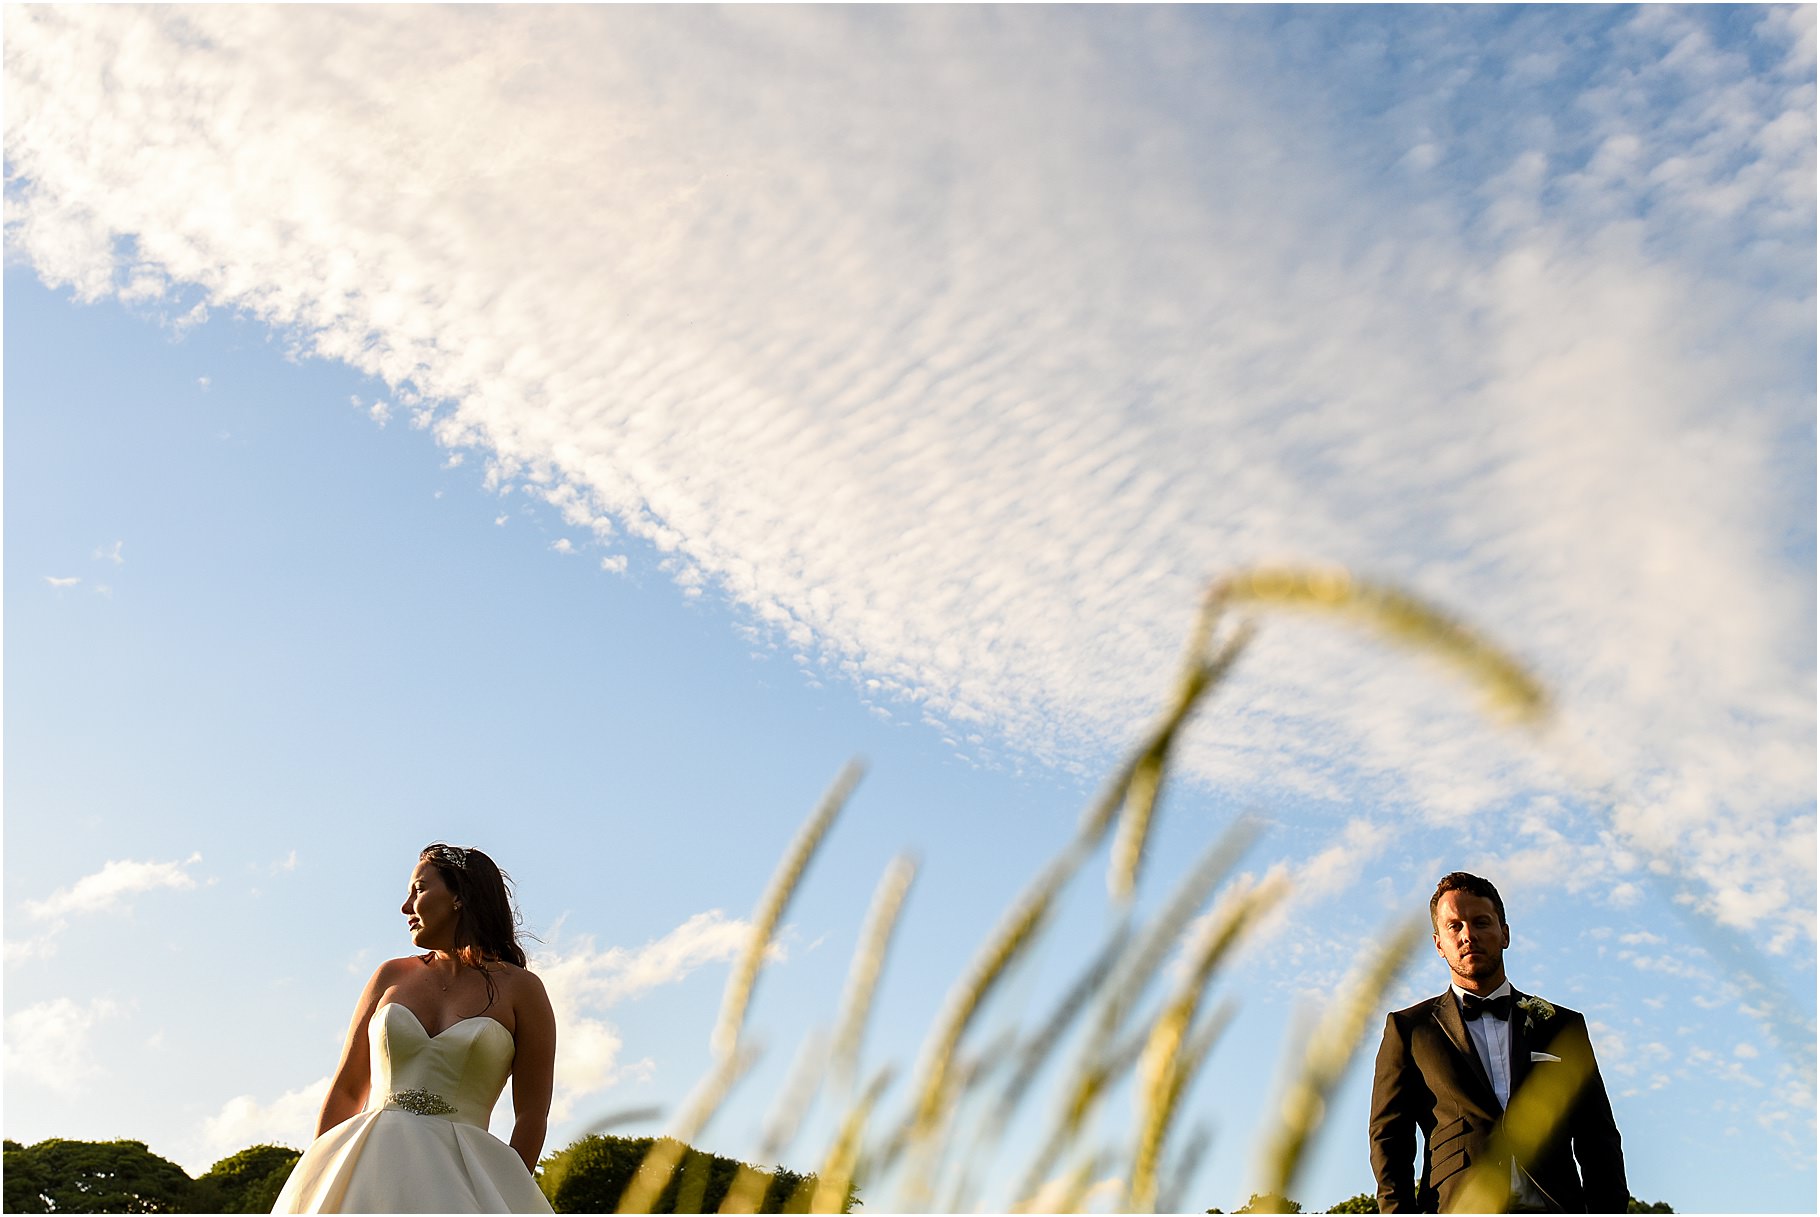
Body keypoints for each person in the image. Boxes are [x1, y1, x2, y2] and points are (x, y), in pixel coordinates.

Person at [272, 844, 557, 1213]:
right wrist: (316, 1178)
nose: (406, 907)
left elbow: (532, 1115)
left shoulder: (523, 990)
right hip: (365, 1169)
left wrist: (507, 1192)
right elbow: (346, 1089)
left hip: (463, 1181)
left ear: (460, 896)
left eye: (419, 889)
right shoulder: (390, 976)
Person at [1369, 872, 1626, 1213]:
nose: (1468, 935)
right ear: (1438, 944)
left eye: (1481, 922)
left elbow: (1598, 1136)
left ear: (1504, 933)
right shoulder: (1409, 1029)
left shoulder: (1562, 1025)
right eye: (1454, 927)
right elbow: (1390, 1140)